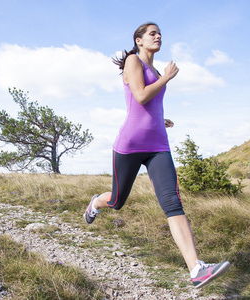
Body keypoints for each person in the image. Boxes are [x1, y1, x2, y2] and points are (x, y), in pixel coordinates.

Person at [83, 22, 230, 288]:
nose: (158, 36)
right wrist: (167, 78)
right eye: (152, 33)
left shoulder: (156, 69)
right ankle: (95, 203)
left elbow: (150, 105)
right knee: (117, 200)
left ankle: (196, 269)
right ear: (139, 40)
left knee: (172, 203)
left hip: (158, 146)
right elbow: (139, 96)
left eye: (159, 32)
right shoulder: (133, 61)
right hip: (129, 145)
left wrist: (161, 119)